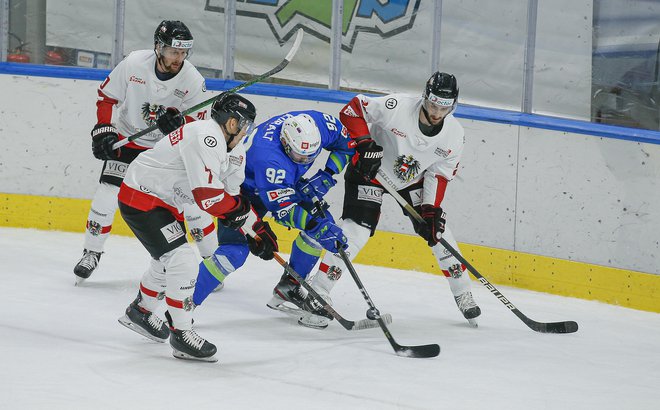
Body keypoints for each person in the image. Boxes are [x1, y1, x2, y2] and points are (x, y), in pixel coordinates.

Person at [303, 71, 482, 329]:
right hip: (368, 174)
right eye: (432, 104)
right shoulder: (396, 106)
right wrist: (364, 144)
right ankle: (319, 289)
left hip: (412, 180)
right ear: (424, 97)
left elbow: (439, 174)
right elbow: (353, 110)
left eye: (443, 107)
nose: (436, 112)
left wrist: (430, 210)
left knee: (439, 233)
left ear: (452, 106)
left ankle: (463, 291)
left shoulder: (454, 135)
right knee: (355, 233)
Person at [116, 93, 278, 362]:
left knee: (165, 261)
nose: (246, 130)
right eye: (244, 123)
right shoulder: (206, 136)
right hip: (142, 196)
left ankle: (140, 312)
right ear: (230, 123)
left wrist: (255, 230)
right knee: (181, 261)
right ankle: (182, 333)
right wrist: (241, 218)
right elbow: (208, 196)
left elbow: (231, 194)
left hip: (166, 201)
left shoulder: (234, 147)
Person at [73, 20, 217, 283]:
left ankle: (212, 263)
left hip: (168, 150)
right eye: (174, 51)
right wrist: (104, 128)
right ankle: (91, 252)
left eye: (184, 53)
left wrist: (180, 123)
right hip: (129, 140)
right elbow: (107, 97)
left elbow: (202, 123)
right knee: (106, 194)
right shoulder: (134, 63)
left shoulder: (193, 79)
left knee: (192, 204)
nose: (179, 58)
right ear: (159, 47)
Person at [191, 110, 354, 328]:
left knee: (322, 223)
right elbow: (284, 211)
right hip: (241, 192)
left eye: (310, 157)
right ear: (285, 143)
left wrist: (327, 174)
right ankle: (181, 306)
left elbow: (346, 144)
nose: (305, 161)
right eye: (299, 157)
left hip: (283, 184)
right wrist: (317, 226)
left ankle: (290, 286)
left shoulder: (318, 125)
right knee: (234, 253)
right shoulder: (269, 159)